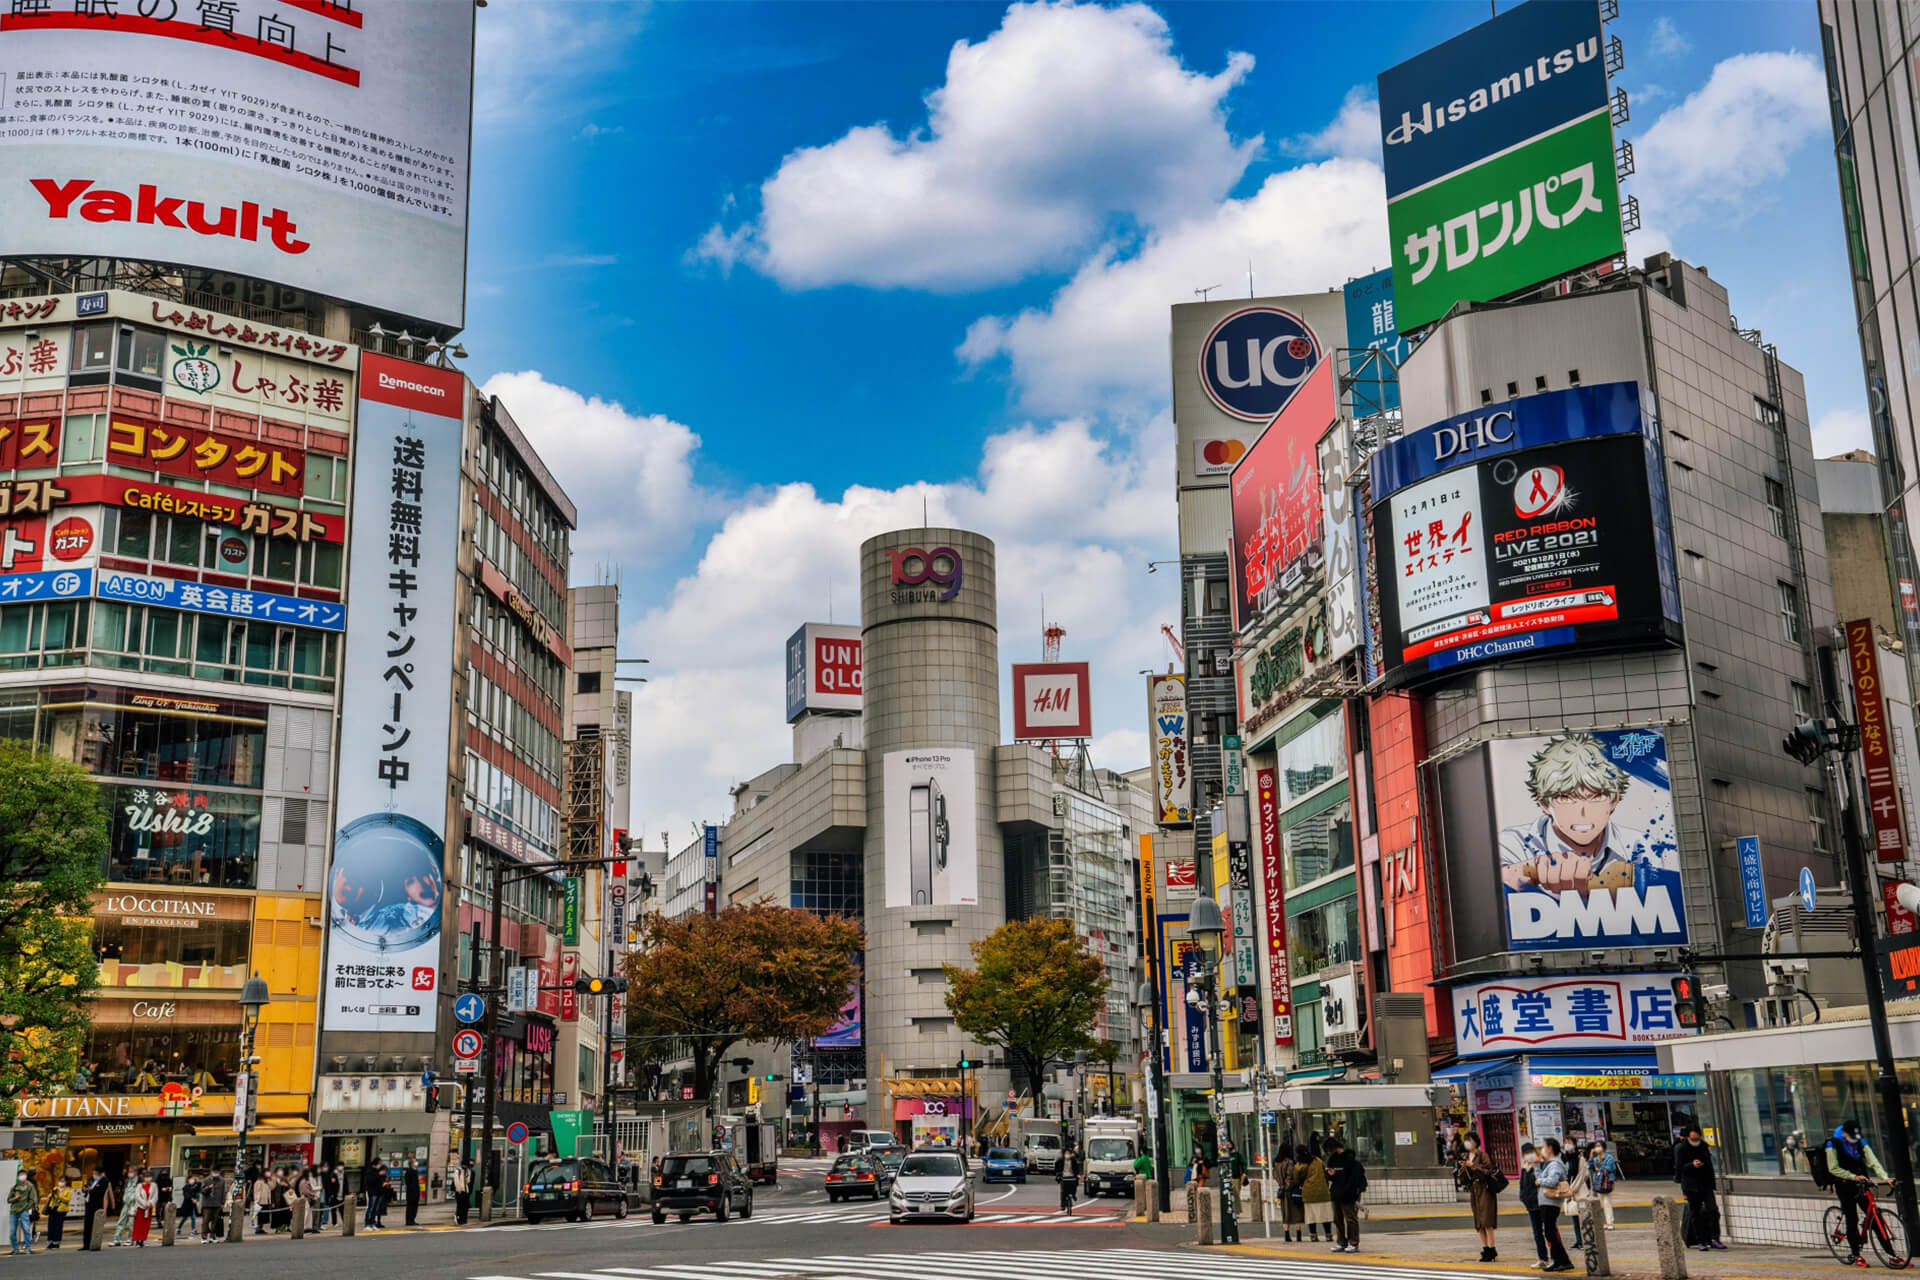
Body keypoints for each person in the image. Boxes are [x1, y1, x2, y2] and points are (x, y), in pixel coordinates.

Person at [1828, 1120, 1892, 1267]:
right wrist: (1853, 1177)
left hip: (1861, 1184)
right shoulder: (1832, 1144)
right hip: (1844, 1186)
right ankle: (1856, 1255)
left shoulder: (1859, 1141)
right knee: (1852, 1219)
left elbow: (1872, 1160)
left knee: (1876, 1219)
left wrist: (1885, 1177)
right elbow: (1833, 1168)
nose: (1854, 1139)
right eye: (1851, 1136)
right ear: (1844, 1133)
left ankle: (1891, 1255)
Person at [1673, 1125, 1725, 1251]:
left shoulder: (1704, 1146)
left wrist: (1713, 1184)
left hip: (1705, 1184)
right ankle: (1700, 1241)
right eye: (1693, 1133)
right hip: (1691, 1186)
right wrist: (1692, 1165)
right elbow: (1679, 1168)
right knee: (1695, 1213)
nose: (1696, 1136)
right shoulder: (1681, 1148)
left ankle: (1715, 1238)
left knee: (1713, 1210)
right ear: (1688, 1135)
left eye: (1697, 1133)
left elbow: (1710, 1166)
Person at [1456, 1132, 1501, 1263]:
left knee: (1487, 1221)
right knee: (1478, 1223)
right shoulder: (1467, 1156)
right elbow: (1464, 1180)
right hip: (1474, 1191)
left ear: (1476, 1141)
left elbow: (1488, 1172)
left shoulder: (1483, 1155)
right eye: (1466, 1140)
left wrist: (1473, 1165)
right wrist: (1463, 1168)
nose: (1467, 1143)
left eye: (1469, 1140)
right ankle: (1485, 1248)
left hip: (1485, 1190)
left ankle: (1492, 1250)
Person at [1533, 1138, 1576, 1272]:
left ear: (1550, 1148)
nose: (1542, 1150)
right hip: (1547, 1202)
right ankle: (1562, 1261)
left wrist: (1540, 1181)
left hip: (1550, 1203)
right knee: (1550, 1232)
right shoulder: (1550, 1164)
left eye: (1543, 1147)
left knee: (1550, 1233)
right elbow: (1539, 1177)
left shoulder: (1555, 1164)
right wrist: (1536, 1166)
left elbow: (1552, 1181)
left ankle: (1559, 1261)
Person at [1324, 1134, 1367, 1253]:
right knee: (1337, 1219)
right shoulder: (1332, 1160)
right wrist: (1330, 1175)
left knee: (1350, 1218)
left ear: (1335, 1148)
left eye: (1329, 1150)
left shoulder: (1350, 1160)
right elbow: (1330, 1176)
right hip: (1336, 1192)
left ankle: (1353, 1242)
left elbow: (1354, 1178)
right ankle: (1341, 1242)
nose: (1329, 1153)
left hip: (1348, 1193)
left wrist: (1352, 1192)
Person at [1297, 1140, 1332, 1244]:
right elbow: (1325, 1174)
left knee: (1311, 1216)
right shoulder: (1318, 1160)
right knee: (1325, 1215)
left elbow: (1296, 1177)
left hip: (1308, 1192)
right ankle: (1328, 1235)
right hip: (1323, 1192)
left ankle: (1313, 1236)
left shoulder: (1300, 1163)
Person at [1519, 1143, 1548, 1269]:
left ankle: (1557, 1257)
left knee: (1549, 1231)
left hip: (1542, 1203)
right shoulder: (1524, 1167)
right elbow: (1522, 1185)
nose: (1528, 1155)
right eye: (1525, 1153)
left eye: (1530, 1151)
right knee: (1537, 1233)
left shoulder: (1540, 1164)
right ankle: (1542, 1258)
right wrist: (1523, 1197)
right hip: (1530, 1204)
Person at [1274, 1142, 1304, 1243]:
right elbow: (1291, 1176)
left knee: (1285, 1213)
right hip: (1290, 1190)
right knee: (1296, 1212)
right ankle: (1298, 1235)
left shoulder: (1276, 1162)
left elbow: (1275, 1176)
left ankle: (1286, 1234)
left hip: (1281, 1190)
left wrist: (1281, 1186)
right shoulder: (1289, 1162)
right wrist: (1288, 1186)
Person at [1588, 1141, 1621, 1230]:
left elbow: (1610, 1168)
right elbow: (1590, 1167)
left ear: (1603, 1147)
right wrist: (1591, 1156)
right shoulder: (1595, 1158)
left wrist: (1599, 1168)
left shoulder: (1609, 1157)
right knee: (1602, 1203)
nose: (1597, 1148)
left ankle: (1610, 1222)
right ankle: (1606, 1222)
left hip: (1607, 1182)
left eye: (1599, 1146)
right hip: (1598, 1182)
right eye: (1595, 1146)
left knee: (1607, 1203)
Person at [8, 1167, 37, 1255]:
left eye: (23, 1175)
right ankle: (15, 1248)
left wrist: (26, 1208)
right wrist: (15, 1198)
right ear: (17, 1177)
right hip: (14, 1211)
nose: (22, 1176)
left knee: (26, 1229)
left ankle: (27, 1248)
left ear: (26, 1176)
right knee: (12, 1231)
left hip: (24, 1211)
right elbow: (9, 1200)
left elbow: (32, 1199)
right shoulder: (15, 1187)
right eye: (20, 1175)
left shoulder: (30, 1186)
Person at [109, 1169, 137, 1246]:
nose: (130, 1173)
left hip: (134, 1204)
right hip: (126, 1203)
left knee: (131, 1223)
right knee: (121, 1221)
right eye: (129, 1171)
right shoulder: (127, 1181)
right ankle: (117, 1240)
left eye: (132, 1171)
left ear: (136, 1172)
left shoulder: (139, 1181)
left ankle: (130, 1240)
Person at [81, 1170, 108, 1251]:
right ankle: (86, 1245)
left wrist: (91, 1190)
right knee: (87, 1225)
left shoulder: (104, 1181)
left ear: (100, 1173)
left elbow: (101, 1192)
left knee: (95, 1226)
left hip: (96, 1206)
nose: (94, 1175)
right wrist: (84, 1189)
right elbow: (84, 1188)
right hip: (88, 1204)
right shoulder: (90, 1180)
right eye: (93, 1173)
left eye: (96, 1173)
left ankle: (94, 1244)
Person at [130, 1169, 158, 1247]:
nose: (148, 1178)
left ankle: (142, 1240)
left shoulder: (154, 1185)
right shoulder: (139, 1185)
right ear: (143, 1177)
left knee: (146, 1226)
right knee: (138, 1225)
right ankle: (137, 1240)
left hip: (148, 1209)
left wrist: (149, 1203)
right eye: (146, 1177)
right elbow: (137, 1196)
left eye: (149, 1177)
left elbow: (155, 1196)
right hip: (140, 1208)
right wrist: (144, 1203)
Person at [44, 1175, 72, 1250]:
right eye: (60, 1181)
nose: (61, 1182)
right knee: (51, 1226)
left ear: (66, 1182)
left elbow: (67, 1199)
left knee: (58, 1226)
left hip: (61, 1210)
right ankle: (50, 1242)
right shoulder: (56, 1188)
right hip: (53, 1209)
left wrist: (59, 1195)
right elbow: (49, 1197)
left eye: (63, 1181)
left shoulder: (68, 1190)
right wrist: (53, 1194)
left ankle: (56, 1243)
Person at [198, 1169, 225, 1243]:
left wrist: (222, 1202)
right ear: (211, 1172)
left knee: (215, 1221)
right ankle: (204, 1237)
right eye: (214, 1172)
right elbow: (202, 1191)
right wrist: (209, 1187)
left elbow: (223, 1192)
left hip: (217, 1204)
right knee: (205, 1221)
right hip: (207, 1204)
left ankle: (212, 1236)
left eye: (217, 1172)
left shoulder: (222, 1180)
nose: (216, 1173)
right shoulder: (206, 1180)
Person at [1056, 1143, 1079, 1215]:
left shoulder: (1073, 1160)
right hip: (1064, 1176)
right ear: (1064, 1154)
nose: (1067, 1154)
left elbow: (1077, 1168)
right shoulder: (1060, 1160)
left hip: (1072, 1176)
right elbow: (1056, 1167)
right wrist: (1058, 1175)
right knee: (1063, 1191)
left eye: (1068, 1153)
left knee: (1075, 1184)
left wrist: (1077, 1174)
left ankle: (1074, 1195)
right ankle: (1063, 1205)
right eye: (1066, 1153)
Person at [179, 1169, 201, 1238]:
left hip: (192, 1205)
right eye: (191, 1179)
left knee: (193, 1217)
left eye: (193, 1179)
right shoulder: (185, 1187)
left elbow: (198, 1187)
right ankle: (179, 1228)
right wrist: (192, 1199)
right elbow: (186, 1196)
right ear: (188, 1180)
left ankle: (193, 1230)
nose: (192, 1180)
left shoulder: (193, 1186)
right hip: (187, 1205)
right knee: (185, 1218)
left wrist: (198, 1181)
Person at [451, 1157, 473, 1226]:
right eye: (465, 1165)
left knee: (466, 1206)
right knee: (460, 1206)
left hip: (465, 1191)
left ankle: (464, 1220)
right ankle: (459, 1219)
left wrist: (467, 1175)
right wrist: (458, 1190)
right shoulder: (458, 1171)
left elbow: (468, 1181)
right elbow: (456, 1181)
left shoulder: (467, 1171)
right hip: (459, 1191)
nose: (466, 1166)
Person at [404, 1155, 421, 1226]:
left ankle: (412, 1220)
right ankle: (409, 1221)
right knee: (410, 1207)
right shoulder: (409, 1171)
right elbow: (408, 1183)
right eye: (415, 1162)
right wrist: (413, 1190)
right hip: (411, 1192)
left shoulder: (415, 1171)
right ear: (412, 1163)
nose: (416, 1163)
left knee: (414, 1207)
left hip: (415, 1192)